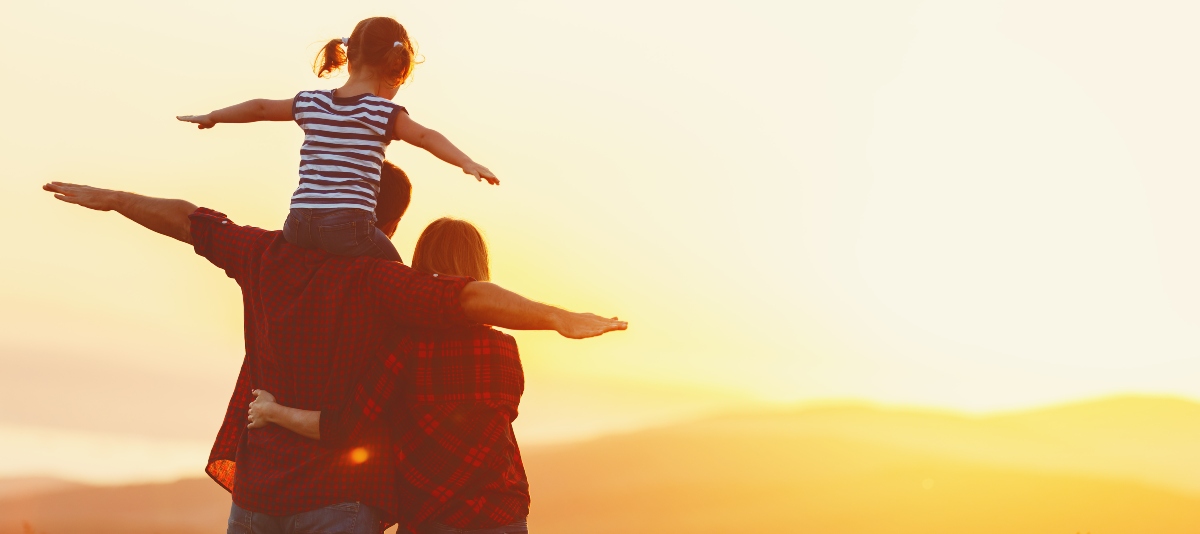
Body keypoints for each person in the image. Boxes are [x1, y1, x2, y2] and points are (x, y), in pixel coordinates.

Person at [41, 180, 626, 534]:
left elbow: (194, 222)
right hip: (443, 510)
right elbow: (467, 306)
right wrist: (553, 317)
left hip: (311, 498)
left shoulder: (277, 261)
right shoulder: (461, 328)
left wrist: (116, 198)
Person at [249, 218, 531, 534]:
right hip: (504, 510)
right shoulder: (504, 347)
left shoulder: (405, 344)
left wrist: (272, 411)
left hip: (434, 513)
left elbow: (343, 427)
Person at [177, 16, 497, 261]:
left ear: (350, 57)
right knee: (397, 272)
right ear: (395, 69)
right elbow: (425, 136)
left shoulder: (312, 102)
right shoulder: (382, 112)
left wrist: (213, 116)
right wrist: (466, 162)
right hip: (348, 227)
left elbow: (260, 107)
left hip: (298, 224)